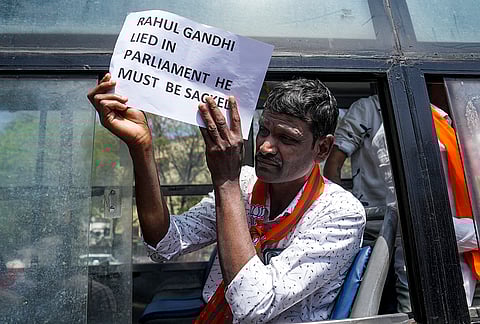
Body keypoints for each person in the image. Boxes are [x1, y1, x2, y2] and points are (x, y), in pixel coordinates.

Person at [88, 75, 365, 322]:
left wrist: (225, 180)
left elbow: (252, 306)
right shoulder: (246, 183)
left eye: (287, 139)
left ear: (323, 148)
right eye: (264, 131)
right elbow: (164, 244)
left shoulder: (339, 211)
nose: (266, 146)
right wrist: (141, 146)